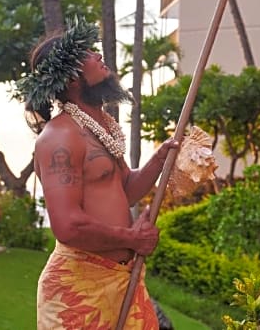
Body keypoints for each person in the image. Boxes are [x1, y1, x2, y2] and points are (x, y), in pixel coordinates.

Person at [19, 20, 179, 329]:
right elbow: (68, 226)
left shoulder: (100, 126)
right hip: (78, 291)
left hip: (120, 280)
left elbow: (126, 189)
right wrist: (132, 238)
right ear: (71, 78)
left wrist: (160, 159)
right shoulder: (60, 138)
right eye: (88, 53)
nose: (99, 56)